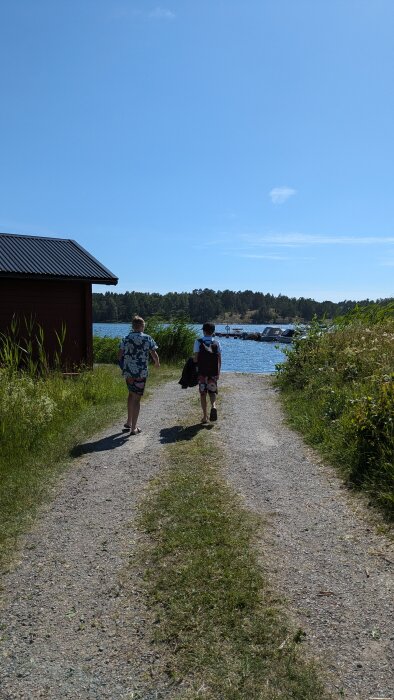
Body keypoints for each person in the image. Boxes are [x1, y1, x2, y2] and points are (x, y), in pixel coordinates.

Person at [118, 315, 160, 435]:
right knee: (137, 399)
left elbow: (119, 355)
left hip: (129, 373)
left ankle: (129, 421)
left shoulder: (125, 338)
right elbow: (154, 353)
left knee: (131, 394)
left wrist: (124, 367)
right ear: (142, 326)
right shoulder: (147, 338)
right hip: (141, 372)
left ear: (133, 326)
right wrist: (157, 363)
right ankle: (133, 428)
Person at [193, 321, 222, 424]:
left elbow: (196, 359)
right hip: (213, 372)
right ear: (213, 331)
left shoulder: (198, 342)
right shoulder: (216, 343)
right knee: (212, 391)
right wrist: (218, 372)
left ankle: (205, 417)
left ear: (204, 331)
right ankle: (213, 406)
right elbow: (219, 358)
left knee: (203, 394)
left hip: (202, 373)